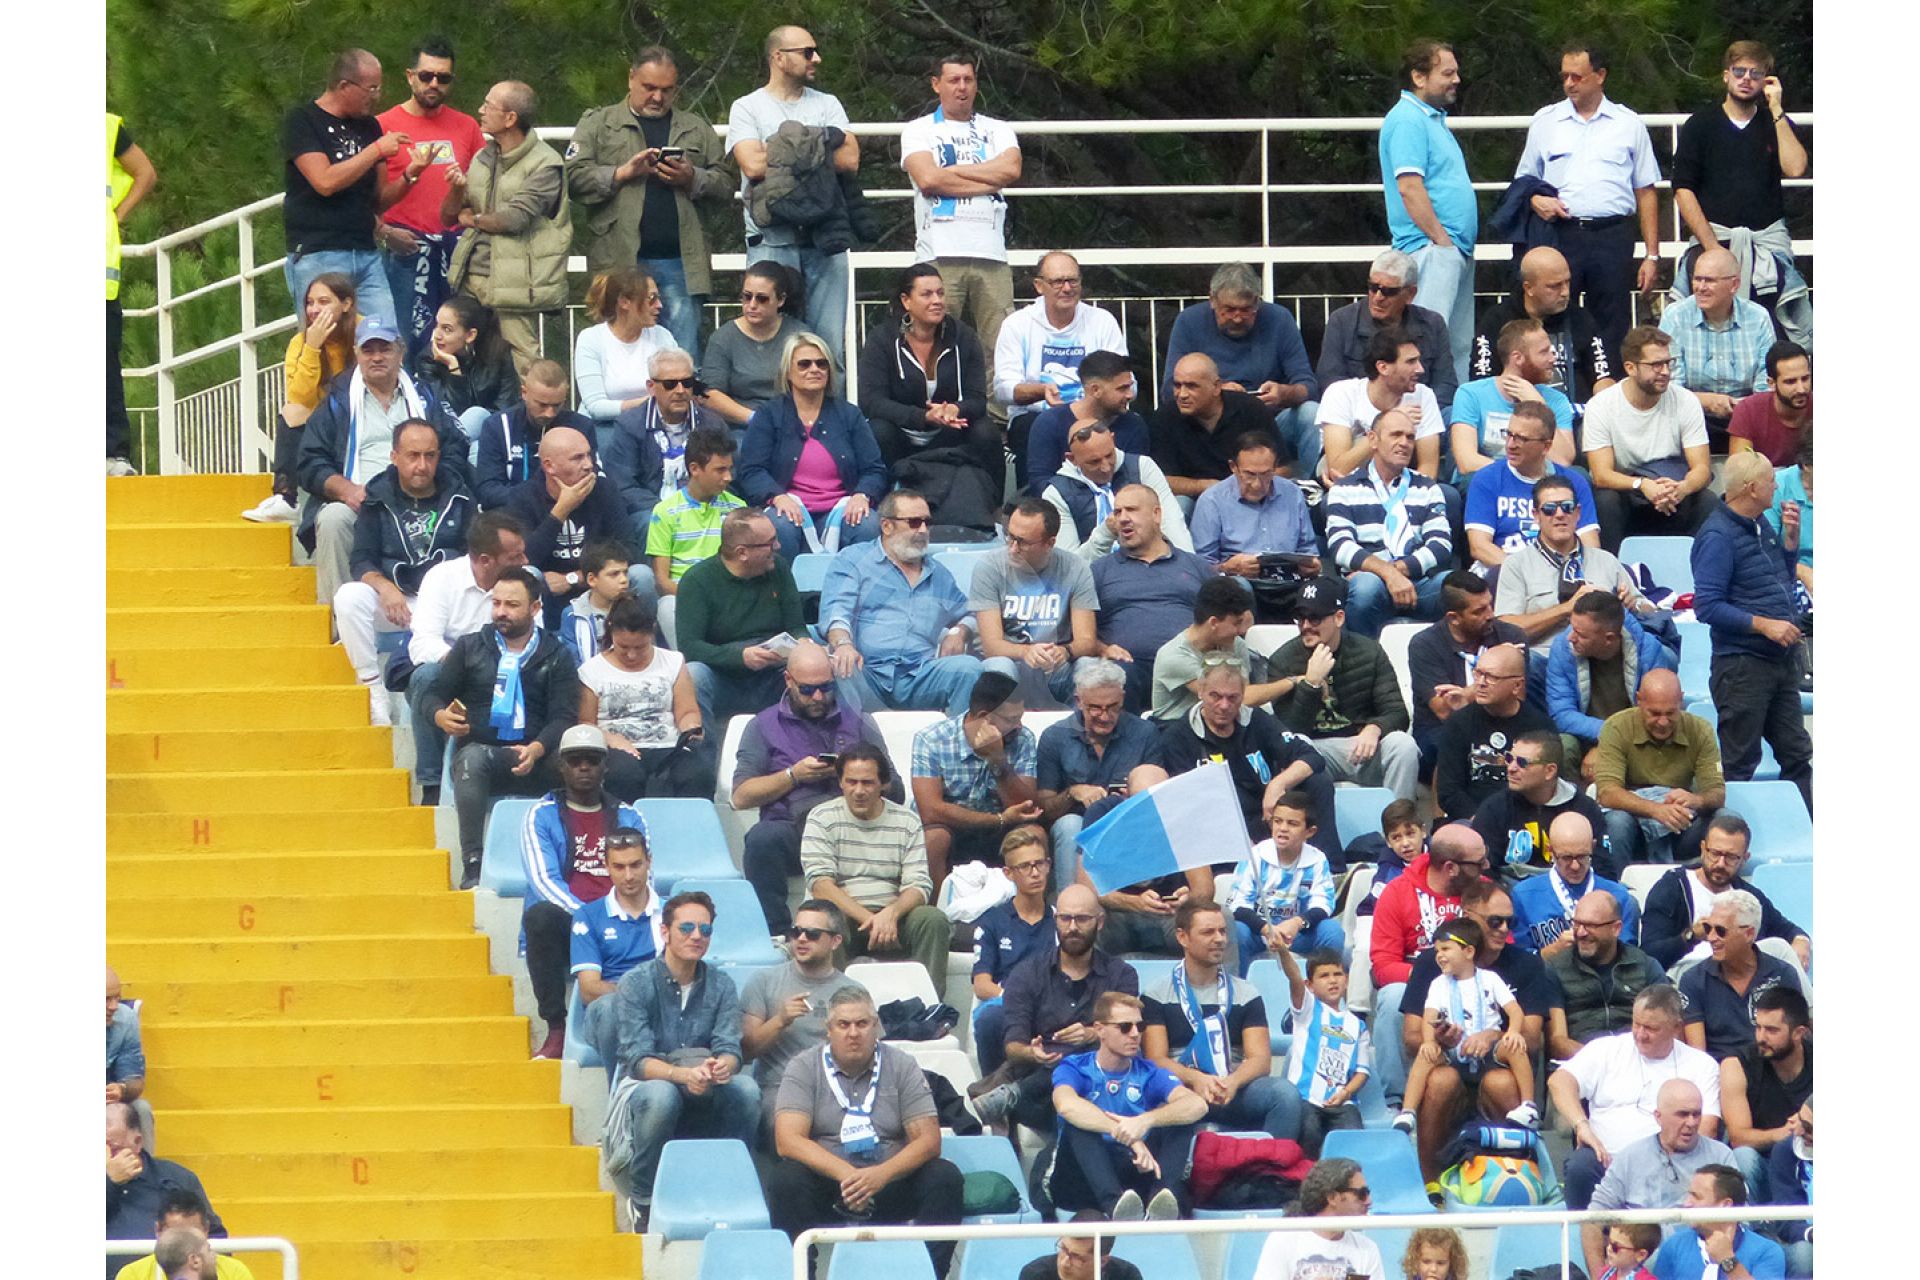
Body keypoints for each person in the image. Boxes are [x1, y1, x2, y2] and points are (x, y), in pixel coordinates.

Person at [766, 986, 964, 1274]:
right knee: (785, 1179)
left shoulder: (902, 1065)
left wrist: (880, 1175)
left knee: (944, 1177)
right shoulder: (803, 1067)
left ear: (876, 1027)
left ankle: (930, 1274)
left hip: (890, 1181)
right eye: (843, 1024)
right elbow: (787, 1140)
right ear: (828, 1030)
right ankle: (802, 1273)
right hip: (830, 1184)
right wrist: (847, 1174)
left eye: (862, 1024)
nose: (853, 1033)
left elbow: (929, 1140)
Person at [603, 890, 757, 1230]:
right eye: (686, 928)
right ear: (665, 932)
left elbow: (730, 1048)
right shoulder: (636, 983)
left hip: (704, 1077)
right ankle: (643, 1199)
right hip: (648, 1083)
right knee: (661, 1095)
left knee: (746, 1089)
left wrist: (723, 1066)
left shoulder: (722, 984)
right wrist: (683, 1074)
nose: (697, 936)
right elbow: (637, 1060)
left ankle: (732, 1188)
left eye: (705, 929)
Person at [420, 568, 581, 888]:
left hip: (540, 754)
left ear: (535, 608)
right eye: (496, 603)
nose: (501, 612)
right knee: (471, 759)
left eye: (512, 605)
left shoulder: (558, 653)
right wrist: (440, 716)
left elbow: (564, 717)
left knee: (580, 763)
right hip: (484, 754)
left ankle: (577, 860)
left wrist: (536, 749)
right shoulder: (469, 647)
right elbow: (431, 695)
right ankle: (473, 863)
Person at [566, 46, 729, 360]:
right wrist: (621, 173)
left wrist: (692, 177)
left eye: (667, 90)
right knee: (616, 355)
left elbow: (725, 185)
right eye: (649, 87)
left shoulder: (696, 128)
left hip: (680, 262)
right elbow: (572, 179)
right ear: (631, 78)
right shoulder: (598, 124)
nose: (657, 97)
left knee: (681, 356)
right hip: (618, 261)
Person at [296, 320, 467, 606]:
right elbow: (309, 460)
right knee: (333, 519)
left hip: (422, 499)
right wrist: (347, 490)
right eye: (368, 350)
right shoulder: (338, 400)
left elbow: (454, 447)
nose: (376, 357)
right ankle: (339, 617)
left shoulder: (426, 397)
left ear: (401, 352)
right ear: (356, 353)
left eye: (385, 349)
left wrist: (429, 484)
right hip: (362, 502)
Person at [1513, 41, 1663, 364]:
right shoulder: (1545, 121)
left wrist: (1652, 255)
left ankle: (1607, 387)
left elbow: (1646, 190)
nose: (1569, 84)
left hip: (1612, 235)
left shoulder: (1628, 123)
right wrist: (1537, 200)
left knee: (1612, 321)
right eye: (1564, 76)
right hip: (1560, 233)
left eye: (1577, 76)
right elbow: (1524, 182)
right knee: (1554, 315)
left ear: (1600, 75)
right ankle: (1558, 383)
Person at [1394, 879, 1557, 1173]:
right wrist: (1441, 1039)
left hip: (1497, 1064)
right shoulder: (1434, 963)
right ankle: (1429, 1180)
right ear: (1468, 916)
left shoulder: (1526, 965)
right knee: (1441, 1080)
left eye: (1510, 922)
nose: (1504, 930)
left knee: (1500, 1082)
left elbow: (1532, 1040)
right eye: (1495, 921)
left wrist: (1493, 1035)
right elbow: (1411, 1036)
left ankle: (1522, 1174)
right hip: (1450, 1061)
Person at [733, 642, 898, 932]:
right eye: (807, 690)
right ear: (788, 680)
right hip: (793, 828)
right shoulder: (763, 725)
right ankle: (775, 932)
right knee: (761, 839)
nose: (818, 697)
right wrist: (792, 776)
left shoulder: (858, 720)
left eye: (825, 687)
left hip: (855, 826)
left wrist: (853, 774)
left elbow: (895, 788)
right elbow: (741, 795)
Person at [728, 26, 861, 366]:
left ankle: (828, 404)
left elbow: (849, 159)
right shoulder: (747, 107)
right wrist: (819, 146)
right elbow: (752, 164)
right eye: (807, 52)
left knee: (827, 349)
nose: (817, 58)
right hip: (772, 239)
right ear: (778, 57)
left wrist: (779, 147)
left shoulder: (828, 104)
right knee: (771, 346)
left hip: (825, 239)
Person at [968, 883, 1140, 1136]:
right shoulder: (1026, 974)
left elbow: (1127, 1034)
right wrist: (1032, 1052)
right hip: (1041, 1095)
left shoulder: (1122, 975)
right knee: (1064, 1077)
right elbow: (1013, 1045)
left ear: (1100, 922)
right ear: (1056, 920)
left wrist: (1092, 1034)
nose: (1072, 927)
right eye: (1065, 918)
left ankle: (1014, 1095)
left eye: (1082, 919)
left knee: (1100, 1052)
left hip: (1101, 1083)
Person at [1692, 451, 1812, 808]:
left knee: (1796, 754)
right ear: (1751, 488)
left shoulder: (1760, 523)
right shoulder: (1717, 536)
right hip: (1742, 667)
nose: (1776, 485)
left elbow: (1780, 579)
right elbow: (1706, 606)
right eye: (1770, 481)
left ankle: (1809, 828)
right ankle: (1730, 834)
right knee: (1739, 762)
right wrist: (1763, 625)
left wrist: (1790, 543)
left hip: (1779, 661)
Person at [516, 724, 644, 1056]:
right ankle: (557, 1028)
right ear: (561, 766)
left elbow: (642, 875)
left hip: (620, 920)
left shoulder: (629, 816)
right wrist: (589, 919)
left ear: (605, 766)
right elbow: (543, 881)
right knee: (540, 917)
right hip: (568, 922)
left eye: (592, 759)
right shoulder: (540, 815)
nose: (584, 767)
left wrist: (611, 918)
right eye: (574, 760)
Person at [334, 418, 475, 719]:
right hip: (398, 604)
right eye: (413, 456)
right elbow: (361, 559)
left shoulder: (460, 495)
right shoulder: (377, 497)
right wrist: (385, 588)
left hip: (445, 606)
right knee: (348, 597)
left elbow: (473, 556)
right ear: (394, 456)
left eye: (430, 456)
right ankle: (372, 688)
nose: (422, 465)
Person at [821, 490, 1003, 716]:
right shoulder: (853, 560)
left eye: (927, 522)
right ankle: (849, 739)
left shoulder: (939, 575)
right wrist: (843, 645)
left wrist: (959, 632)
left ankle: (957, 739)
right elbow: (836, 612)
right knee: (839, 667)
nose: (923, 530)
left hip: (920, 676)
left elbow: (972, 612)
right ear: (887, 526)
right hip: (866, 673)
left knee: (968, 668)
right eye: (914, 522)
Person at [1548, 985, 1722, 1213]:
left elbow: (1707, 1127)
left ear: (1676, 1028)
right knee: (1579, 1166)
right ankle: (1587, 1233)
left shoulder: (1701, 1064)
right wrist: (1582, 1126)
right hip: (1606, 1159)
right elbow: (1559, 1081)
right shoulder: (1606, 1049)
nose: (1640, 1034)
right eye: (1636, 1024)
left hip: (1672, 1163)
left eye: (1650, 1028)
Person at [801, 745, 953, 998]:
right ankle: (830, 1005)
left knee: (933, 919)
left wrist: (890, 915)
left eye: (867, 782)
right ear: (840, 782)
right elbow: (820, 884)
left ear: (883, 784)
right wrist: (870, 920)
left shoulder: (906, 821)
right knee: (824, 919)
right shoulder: (822, 818)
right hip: (845, 916)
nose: (859, 791)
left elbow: (918, 886)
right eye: (851, 782)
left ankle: (929, 1007)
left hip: (894, 916)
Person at [1143, 900, 1300, 1140]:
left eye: (1223, 931)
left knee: (1284, 1095)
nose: (1219, 939)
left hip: (1232, 1087)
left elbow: (1260, 1060)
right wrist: (1196, 1079)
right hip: (1181, 1088)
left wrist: (1233, 1082)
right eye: (1208, 932)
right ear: (1183, 937)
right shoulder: (1157, 994)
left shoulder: (1246, 993)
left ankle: (1271, 1162)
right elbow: (1156, 1059)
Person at [280, 48, 413, 332]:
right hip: (319, 252)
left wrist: (410, 176)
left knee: (384, 336)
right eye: (371, 89)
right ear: (344, 86)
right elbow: (325, 182)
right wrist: (375, 150)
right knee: (325, 342)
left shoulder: (369, 127)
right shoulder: (303, 121)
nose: (376, 96)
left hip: (365, 251)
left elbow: (378, 201)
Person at [442, 81, 569, 373]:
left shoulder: (546, 164)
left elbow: (515, 218)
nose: (480, 110)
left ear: (510, 118)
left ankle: (537, 405)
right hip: (471, 277)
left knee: (524, 364)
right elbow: (449, 217)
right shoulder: (482, 157)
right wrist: (455, 191)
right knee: (461, 359)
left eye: (488, 105)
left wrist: (472, 219)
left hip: (516, 285)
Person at [404, 510, 530, 803]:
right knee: (426, 676)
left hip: (510, 675)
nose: (525, 562)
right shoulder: (442, 578)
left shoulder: (526, 581)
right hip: (454, 678)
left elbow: (537, 638)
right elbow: (422, 643)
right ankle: (432, 784)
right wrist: (467, 664)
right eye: (515, 557)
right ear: (486, 560)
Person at [1046, 989, 1207, 1218]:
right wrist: (1128, 1135)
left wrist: (1145, 1121)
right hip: (1079, 1179)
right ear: (1099, 1029)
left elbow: (1197, 1104)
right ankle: (1114, 1206)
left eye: (1139, 1027)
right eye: (1124, 1027)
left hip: (1132, 1172)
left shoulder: (1149, 1071)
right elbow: (1066, 1105)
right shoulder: (1075, 1067)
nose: (1134, 1034)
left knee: (1181, 1120)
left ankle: (1163, 1200)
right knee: (1078, 1125)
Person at [1672, 41, 1809, 305]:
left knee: (1776, 323)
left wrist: (1776, 107)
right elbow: (1683, 190)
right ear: (1726, 75)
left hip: (1767, 247)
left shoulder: (1774, 123)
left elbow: (1795, 168)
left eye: (1755, 73)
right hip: (1712, 241)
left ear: (1765, 81)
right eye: (1739, 71)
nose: (1746, 79)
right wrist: (1713, 249)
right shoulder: (1700, 125)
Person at [900, 53, 1021, 352]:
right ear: (936, 84)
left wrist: (951, 172)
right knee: (933, 341)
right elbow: (928, 179)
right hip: (938, 253)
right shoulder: (918, 129)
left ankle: (994, 391)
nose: (962, 87)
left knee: (1000, 345)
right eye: (954, 80)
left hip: (991, 253)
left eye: (968, 79)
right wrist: (989, 180)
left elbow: (1011, 170)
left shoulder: (998, 129)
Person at [376, 38, 484, 362]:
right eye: (426, 76)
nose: (434, 84)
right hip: (406, 250)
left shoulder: (467, 126)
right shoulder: (383, 126)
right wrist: (385, 233)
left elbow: (483, 189)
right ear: (410, 76)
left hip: (456, 253)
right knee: (404, 340)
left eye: (443, 77)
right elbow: (365, 197)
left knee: (462, 343)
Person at [1269, 577, 1421, 802]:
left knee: (1403, 745)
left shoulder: (1369, 651)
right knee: (1299, 746)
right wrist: (1310, 684)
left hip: (1362, 745)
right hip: (1316, 751)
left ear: (1339, 618)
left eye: (1315, 618)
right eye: (1300, 618)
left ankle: (1399, 820)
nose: (1306, 625)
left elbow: (1397, 712)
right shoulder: (1283, 660)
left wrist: (1375, 728)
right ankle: (1316, 822)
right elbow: (1289, 731)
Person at [1156, 664, 1337, 851]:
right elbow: (1187, 804)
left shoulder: (1256, 719)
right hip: (1221, 826)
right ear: (1200, 692)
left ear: (1243, 695)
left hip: (1270, 815)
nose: (1224, 705)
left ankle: (1328, 863)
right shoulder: (1178, 737)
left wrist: (1278, 784)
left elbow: (1311, 756)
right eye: (1215, 696)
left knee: (1317, 782)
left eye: (1232, 698)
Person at [737, 333, 888, 559]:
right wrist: (777, 497)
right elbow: (752, 470)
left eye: (821, 363)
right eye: (804, 364)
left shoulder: (849, 414)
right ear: (788, 372)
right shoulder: (768, 415)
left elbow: (874, 469)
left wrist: (862, 495)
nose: (814, 369)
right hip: (788, 506)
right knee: (779, 525)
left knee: (867, 524)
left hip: (842, 507)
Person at [1161, 263, 1321, 475]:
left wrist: (1285, 393)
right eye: (1228, 310)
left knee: (1311, 413)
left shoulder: (1280, 319)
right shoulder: (1189, 321)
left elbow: (1308, 385)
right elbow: (1169, 389)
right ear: (1212, 300)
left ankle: (1309, 488)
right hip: (1212, 423)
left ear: (1258, 301)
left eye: (1246, 310)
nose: (1237, 318)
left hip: (1269, 424)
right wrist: (1218, 394)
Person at [1379, 38, 1475, 388]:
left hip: (1449, 249)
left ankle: (1452, 413)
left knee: (1455, 345)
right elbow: (1409, 186)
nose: (1456, 80)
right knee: (1426, 346)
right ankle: (1420, 415)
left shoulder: (1430, 119)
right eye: (1447, 73)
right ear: (1419, 77)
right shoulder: (1408, 120)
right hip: (1430, 249)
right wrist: (1441, 240)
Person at [1035, 660, 1170, 891]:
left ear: (1123, 698)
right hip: (1077, 826)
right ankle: (1073, 903)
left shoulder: (1145, 733)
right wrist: (1072, 793)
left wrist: (1134, 794)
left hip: (1128, 823)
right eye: (1095, 708)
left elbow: (1159, 798)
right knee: (1069, 825)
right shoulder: (1055, 737)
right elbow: (1044, 810)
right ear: (1078, 701)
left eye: (1113, 707)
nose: (1105, 716)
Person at [1393, 917, 1536, 1135]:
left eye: (1445, 949)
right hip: (1453, 1050)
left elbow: (1514, 1010)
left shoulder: (1490, 979)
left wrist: (1513, 1032)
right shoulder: (1438, 984)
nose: (1439, 956)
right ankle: (1408, 1111)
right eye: (1437, 951)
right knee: (1425, 1055)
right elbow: (1429, 1015)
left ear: (1468, 952)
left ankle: (1528, 1106)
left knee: (1514, 1046)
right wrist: (1429, 1041)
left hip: (1489, 1051)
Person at [1580, 1082, 1739, 1278]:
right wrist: (1600, 1277)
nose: (1691, 1122)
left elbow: (1739, 1218)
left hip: (1702, 1257)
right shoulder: (1630, 1157)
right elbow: (1593, 1220)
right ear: (1658, 1117)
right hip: (1643, 1259)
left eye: (1696, 1114)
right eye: (1682, 1114)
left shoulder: (1721, 1155)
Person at [994, 251, 1128, 482]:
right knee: (1033, 428)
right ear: (1039, 286)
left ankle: (1127, 496)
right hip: (1037, 416)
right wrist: (1040, 391)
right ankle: (1037, 498)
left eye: (1072, 281)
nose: (1066, 288)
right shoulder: (1017, 324)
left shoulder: (1102, 321)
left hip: (1097, 414)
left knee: (1133, 424)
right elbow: (1004, 389)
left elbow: (1126, 381)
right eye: (1057, 281)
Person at [1582, 326, 1714, 551]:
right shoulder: (1601, 406)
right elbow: (1601, 475)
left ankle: (1702, 570)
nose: (1665, 371)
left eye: (1668, 363)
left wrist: (1683, 488)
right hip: (1628, 491)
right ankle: (1609, 569)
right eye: (1656, 365)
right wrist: (1642, 485)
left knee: (1707, 500)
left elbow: (1702, 467)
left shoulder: (1686, 401)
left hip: (1673, 488)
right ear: (1630, 368)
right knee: (1606, 500)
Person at [1323, 412, 1452, 636]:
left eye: (1410, 437)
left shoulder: (1428, 487)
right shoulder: (1344, 488)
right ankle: (1364, 654)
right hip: (1369, 580)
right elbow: (1340, 546)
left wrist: (1398, 571)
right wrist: (1386, 574)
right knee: (1366, 588)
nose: (1404, 443)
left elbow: (1441, 545)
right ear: (1373, 439)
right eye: (1396, 435)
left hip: (1417, 582)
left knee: (1456, 587)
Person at [245, 272, 361, 523]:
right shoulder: (300, 342)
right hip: (324, 425)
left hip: (361, 419)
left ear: (346, 304)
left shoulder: (365, 331)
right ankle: (286, 497)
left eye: (323, 301)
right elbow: (298, 397)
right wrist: (312, 347)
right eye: (310, 303)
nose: (314, 310)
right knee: (292, 411)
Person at [1494, 473, 1650, 658]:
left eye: (1567, 507)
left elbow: (1648, 610)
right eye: (1549, 509)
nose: (1560, 514)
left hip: (1601, 659)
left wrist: (1632, 606)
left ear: (1577, 513)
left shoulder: (1606, 561)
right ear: (1536, 515)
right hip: (1543, 656)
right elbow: (1507, 630)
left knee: (1660, 654)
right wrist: (1567, 608)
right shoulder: (1516, 564)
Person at [1091, 485, 1217, 710]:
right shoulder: (1099, 571)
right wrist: (1103, 649)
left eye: (1131, 510)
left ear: (1156, 514)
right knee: (1115, 675)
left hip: (1190, 666)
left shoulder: (1197, 567)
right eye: (1118, 512)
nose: (1123, 518)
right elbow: (1080, 631)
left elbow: (1226, 621)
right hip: (1127, 668)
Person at [856, 262, 995, 469]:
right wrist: (923, 417)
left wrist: (956, 409)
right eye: (927, 294)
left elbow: (978, 399)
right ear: (906, 301)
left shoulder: (964, 336)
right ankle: (884, 489)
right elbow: (872, 402)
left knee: (985, 431)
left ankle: (988, 490)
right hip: (901, 431)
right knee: (878, 430)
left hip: (949, 430)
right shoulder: (882, 339)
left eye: (940, 293)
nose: (937, 301)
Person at [910, 672, 1043, 885]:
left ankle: (1031, 905)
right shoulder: (931, 740)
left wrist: (998, 760)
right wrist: (999, 819)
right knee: (935, 839)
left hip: (1002, 831)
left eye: (1020, 718)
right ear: (984, 717)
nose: (1019, 726)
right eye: (1011, 720)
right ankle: (937, 904)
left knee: (1033, 833)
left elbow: (1026, 807)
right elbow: (931, 811)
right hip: (950, 828)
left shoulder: (1023, 738)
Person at [678, 510, 806, 729]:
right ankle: (701, 751)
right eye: (770, 543)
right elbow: (690, 647)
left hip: (776, 672)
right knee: (694, 675)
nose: (778, 547)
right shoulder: (697, 581)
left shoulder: (779, 568)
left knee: (821, 666)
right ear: (742, 552)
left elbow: (796, 627)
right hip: (724, 676)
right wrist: (740, 657)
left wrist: (803, 643)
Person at [501, 425, 639, 626]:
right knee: (530, 575)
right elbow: (523, 559)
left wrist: (575, 578)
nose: (589, 465)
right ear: (549, 466)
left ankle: (634, 631)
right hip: (548, 592)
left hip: (598, 584)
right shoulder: (523, 497)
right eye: (578, 458)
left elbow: (628, 548)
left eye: (589, 455)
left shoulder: (605, 489)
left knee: (640, 575)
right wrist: (560, 511)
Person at [972, 498, 1102, 710]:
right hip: (1012, 661)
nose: (1012, 548)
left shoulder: (1076, 568)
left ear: (1049, 543)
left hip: (1056, 665)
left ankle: (1080, 729)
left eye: (1022, 542)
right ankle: (999, 729)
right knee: (998, 668)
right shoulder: (989, 566)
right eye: (1009, 537)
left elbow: (1087, 641)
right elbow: (991, 646)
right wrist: (1026, 652)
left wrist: (1065, 651)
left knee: (1089, 668)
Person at [578, 594, 711, 800]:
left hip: (667, 745)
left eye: (640, 647)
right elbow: (586, 723)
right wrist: (611, 740)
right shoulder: (591, 670)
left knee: (697, 773)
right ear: (611, 631)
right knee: (625, 774)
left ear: (651, 633)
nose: (631, 655)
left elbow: (687, 712)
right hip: (616, 747)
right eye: (623, 647)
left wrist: (691, 728)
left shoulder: (673, 661)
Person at [740, 901, 862, 1125]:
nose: (802, 939)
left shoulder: (854, 991)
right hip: (780, 1086)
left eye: (813, 934)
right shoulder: (763, 981)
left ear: (835, 941)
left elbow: (869, 1054)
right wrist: (779, 1020)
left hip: (839, 1086)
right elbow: (746, 1051)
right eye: (796, 932)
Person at [1639, 814, 1809, 972]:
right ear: (1703, 849)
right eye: (1715, 853)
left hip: (1740, 975)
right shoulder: (1673, 887)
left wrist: (1801, 940)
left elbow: (1786, 929)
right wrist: (1692, 936)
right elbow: (1650, 955)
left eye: (1731, 857)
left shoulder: (1747, 895)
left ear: (1744, 859)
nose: (1720, 863)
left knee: (1778, 948)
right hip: (1688, 972)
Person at [1317, 250, 1460, 424]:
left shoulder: (1433, 324)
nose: (1378, 297)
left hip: (1419, 417)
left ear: (1410, 294)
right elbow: (1330, 382)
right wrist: (1386, 418)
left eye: (1388, 291)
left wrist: (1416, 416)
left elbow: (1446, 384)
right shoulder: (1342, 321)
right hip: (1359, 421)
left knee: (1456, 417)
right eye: (1373, 287)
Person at [1407, 571, 1528, 771]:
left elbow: (1517, 699)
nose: (1490, 615)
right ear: (1454, 618)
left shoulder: (1511, 636)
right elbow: (1445, 711)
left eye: (1490, 604)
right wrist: (1494, 675)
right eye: (1479, 611)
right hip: (1442, 730)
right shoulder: (1425, 645)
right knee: (1453, 749)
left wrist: (1467, 695)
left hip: (1502, 724)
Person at [1467, 246, 1616, 406]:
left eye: (1567, 282)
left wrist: (1605, 404)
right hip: (1516, 414)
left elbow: (1602, 376)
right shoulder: (1496, 320)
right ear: (1528, 288)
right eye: (1554, 286)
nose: (1565, 292)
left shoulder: (1580, 318)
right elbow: (1481, 381)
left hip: (1575, 414)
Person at [1039, 405, 1191, 560]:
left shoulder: (1142, 467)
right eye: (1094, 462)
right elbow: (1070, 565)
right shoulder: (1056, 493)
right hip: (1094, 572)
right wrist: (1105, 533)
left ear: (1112, 439)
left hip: (1150, 564)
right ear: (1072, 459)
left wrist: (1186, 566)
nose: (1105, 467)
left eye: (1109, 455)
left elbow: (1172, 525)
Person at [1658, 247, 1774, 447]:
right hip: (1689, 417)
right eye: (1697, 279)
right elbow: (1670, 386)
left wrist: (1743, 408)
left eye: (1709, 280)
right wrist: (1706, 401)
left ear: (1734, 285)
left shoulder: (1758, 317)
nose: (1700, 287)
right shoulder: (1675, 316)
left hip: (1748, 417)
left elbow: (1766, 384)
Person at [571, 827, 663, 1077]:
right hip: (609, 1011)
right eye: (619, 867)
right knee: (611, 1008)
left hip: (660, 1007)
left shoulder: (670, 913)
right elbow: (589, 990)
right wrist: (637, 996)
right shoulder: (588, 915)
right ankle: (621, 1087)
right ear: (607, 867)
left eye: (636, 865)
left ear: (649, 861)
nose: (629, 875)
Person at [1189, 434, 1319, 605]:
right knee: (1238, 588)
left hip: (1290, 580)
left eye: (1266, 474)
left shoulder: (1292, 493)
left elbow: (1308, 549)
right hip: (1240, 582)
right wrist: (1227, 568)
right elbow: (1201, 566)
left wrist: (1311, 565)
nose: (1257, 484)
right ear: (1233, 467)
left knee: (1327, 589)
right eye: (1249, 474)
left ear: (1275, 468)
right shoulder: (1212, 501)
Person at [1545, 589, 1675, 759]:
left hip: (1634, 737)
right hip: (1586, 735)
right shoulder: (1563, 648)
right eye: (1572, 627)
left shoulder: (1648, 651)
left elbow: (1655, 712)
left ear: (1609, 638)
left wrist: (1611, 743)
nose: (1571, 638)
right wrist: (1605, 737)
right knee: (1565, 745)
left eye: (1580, 634)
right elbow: (1561, 714)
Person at [1678, 891, 1806, 1062]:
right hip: (1720, 1071)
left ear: (1749, 934)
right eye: (1708, 928)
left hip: (1773, 1067)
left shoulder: (1782, 974)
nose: (1711, 938)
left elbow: (1794, 1040)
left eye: (1721, 931)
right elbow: (1698, 1058)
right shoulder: (1693, 980)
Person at [608, 351, 732, 528]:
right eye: (670, 384)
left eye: (687, 383)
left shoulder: (713, 425)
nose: (680, 391)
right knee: (652, 524)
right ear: (651, 387)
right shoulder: (629, 425)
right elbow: (623, 486)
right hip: (652, 510)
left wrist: (698, 509)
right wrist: (669, 511)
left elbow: (728, 476)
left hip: (705, 506)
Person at [1432, 642, 1553, 821]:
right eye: (1478, 673)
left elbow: (1548, 786)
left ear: (1517, 685)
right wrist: (1482, 820)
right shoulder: (1458, 723)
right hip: (1472, 820)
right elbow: (1449, 791)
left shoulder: (1540, 726)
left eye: (1491, 677)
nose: (1480, 683)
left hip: (1526, 821)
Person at [1225, 790, 1345, 969]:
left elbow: (1323, 904)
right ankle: (1238, 984)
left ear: (1310, 831)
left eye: (1292, 824)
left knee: (1332, 931)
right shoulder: (1256, 855)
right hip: (1258, 932)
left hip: (1297, 933)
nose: (1282, 828)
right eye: (1277, 821)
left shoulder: (1317, 859)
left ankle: (1323, 983)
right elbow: (1237, 904)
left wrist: (1297, 923)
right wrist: (1265, 928)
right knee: (1237, 931)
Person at [970, 829, 1058, 1075]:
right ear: (1008, 873)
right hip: (1007, 1003)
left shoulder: (1062, 920)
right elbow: (982, 985)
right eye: (1025, 866)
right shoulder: (992, 922)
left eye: (1040, 864)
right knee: (990, 1020)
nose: (1035, 873)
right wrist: (1019, 999)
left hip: (1054, 1005)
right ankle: (994, 1086)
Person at [1149, 577, 1295, 723]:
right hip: (1175, 726)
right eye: (1236, 623)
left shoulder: (1236, 644)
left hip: (1224, 724)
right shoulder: (1175, 656)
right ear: (1214, 622)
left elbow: (1242, 693)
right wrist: (1293, 681)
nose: (1241, 630)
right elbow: (1242, 698)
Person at [1544, 888, 1666, 1060]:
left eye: (1591, 926)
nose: (1581, 932)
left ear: (1616, 928)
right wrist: (1602, 1061)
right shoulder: (1555, 968)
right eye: (1577, 924)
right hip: (1579, 1062)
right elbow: (1557, 1041)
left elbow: (1666, 1027)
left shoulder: (1644, 966)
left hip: (1638, 1060)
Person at [1471, 733, 1616, 877]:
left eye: (1522, 762)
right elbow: (1484, 871)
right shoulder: (1495, 807)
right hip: (1510, 888)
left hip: (1572, 887)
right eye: (1509, 759)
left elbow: (1603, 869)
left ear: (1550, 771)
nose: (1511, 768)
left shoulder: (1585, 809)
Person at [1154, 354, 1289, 509]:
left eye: (1192, 386)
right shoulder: (1165, 417)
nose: (1182, 394)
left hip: (1251, 494)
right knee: (1179, 504)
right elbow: (1160, 480)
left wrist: (1245, 485)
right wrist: (1203, 486)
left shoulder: (1250, 409)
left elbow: (1283, 468)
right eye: (1177, 385)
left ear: (1217, 387)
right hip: (1196, 500)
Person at [1315, 326, 1445, 483]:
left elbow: (1428, 467)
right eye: (1411, 362)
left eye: (1418, 360)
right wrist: (1388, 422)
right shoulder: (1341, 393)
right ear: (1383, 367)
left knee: (1448, 493)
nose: (1420, 369)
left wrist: (1407, 494)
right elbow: (1338, 469)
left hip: (1403, 485)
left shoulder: (1423, 395)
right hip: (1351, 486)